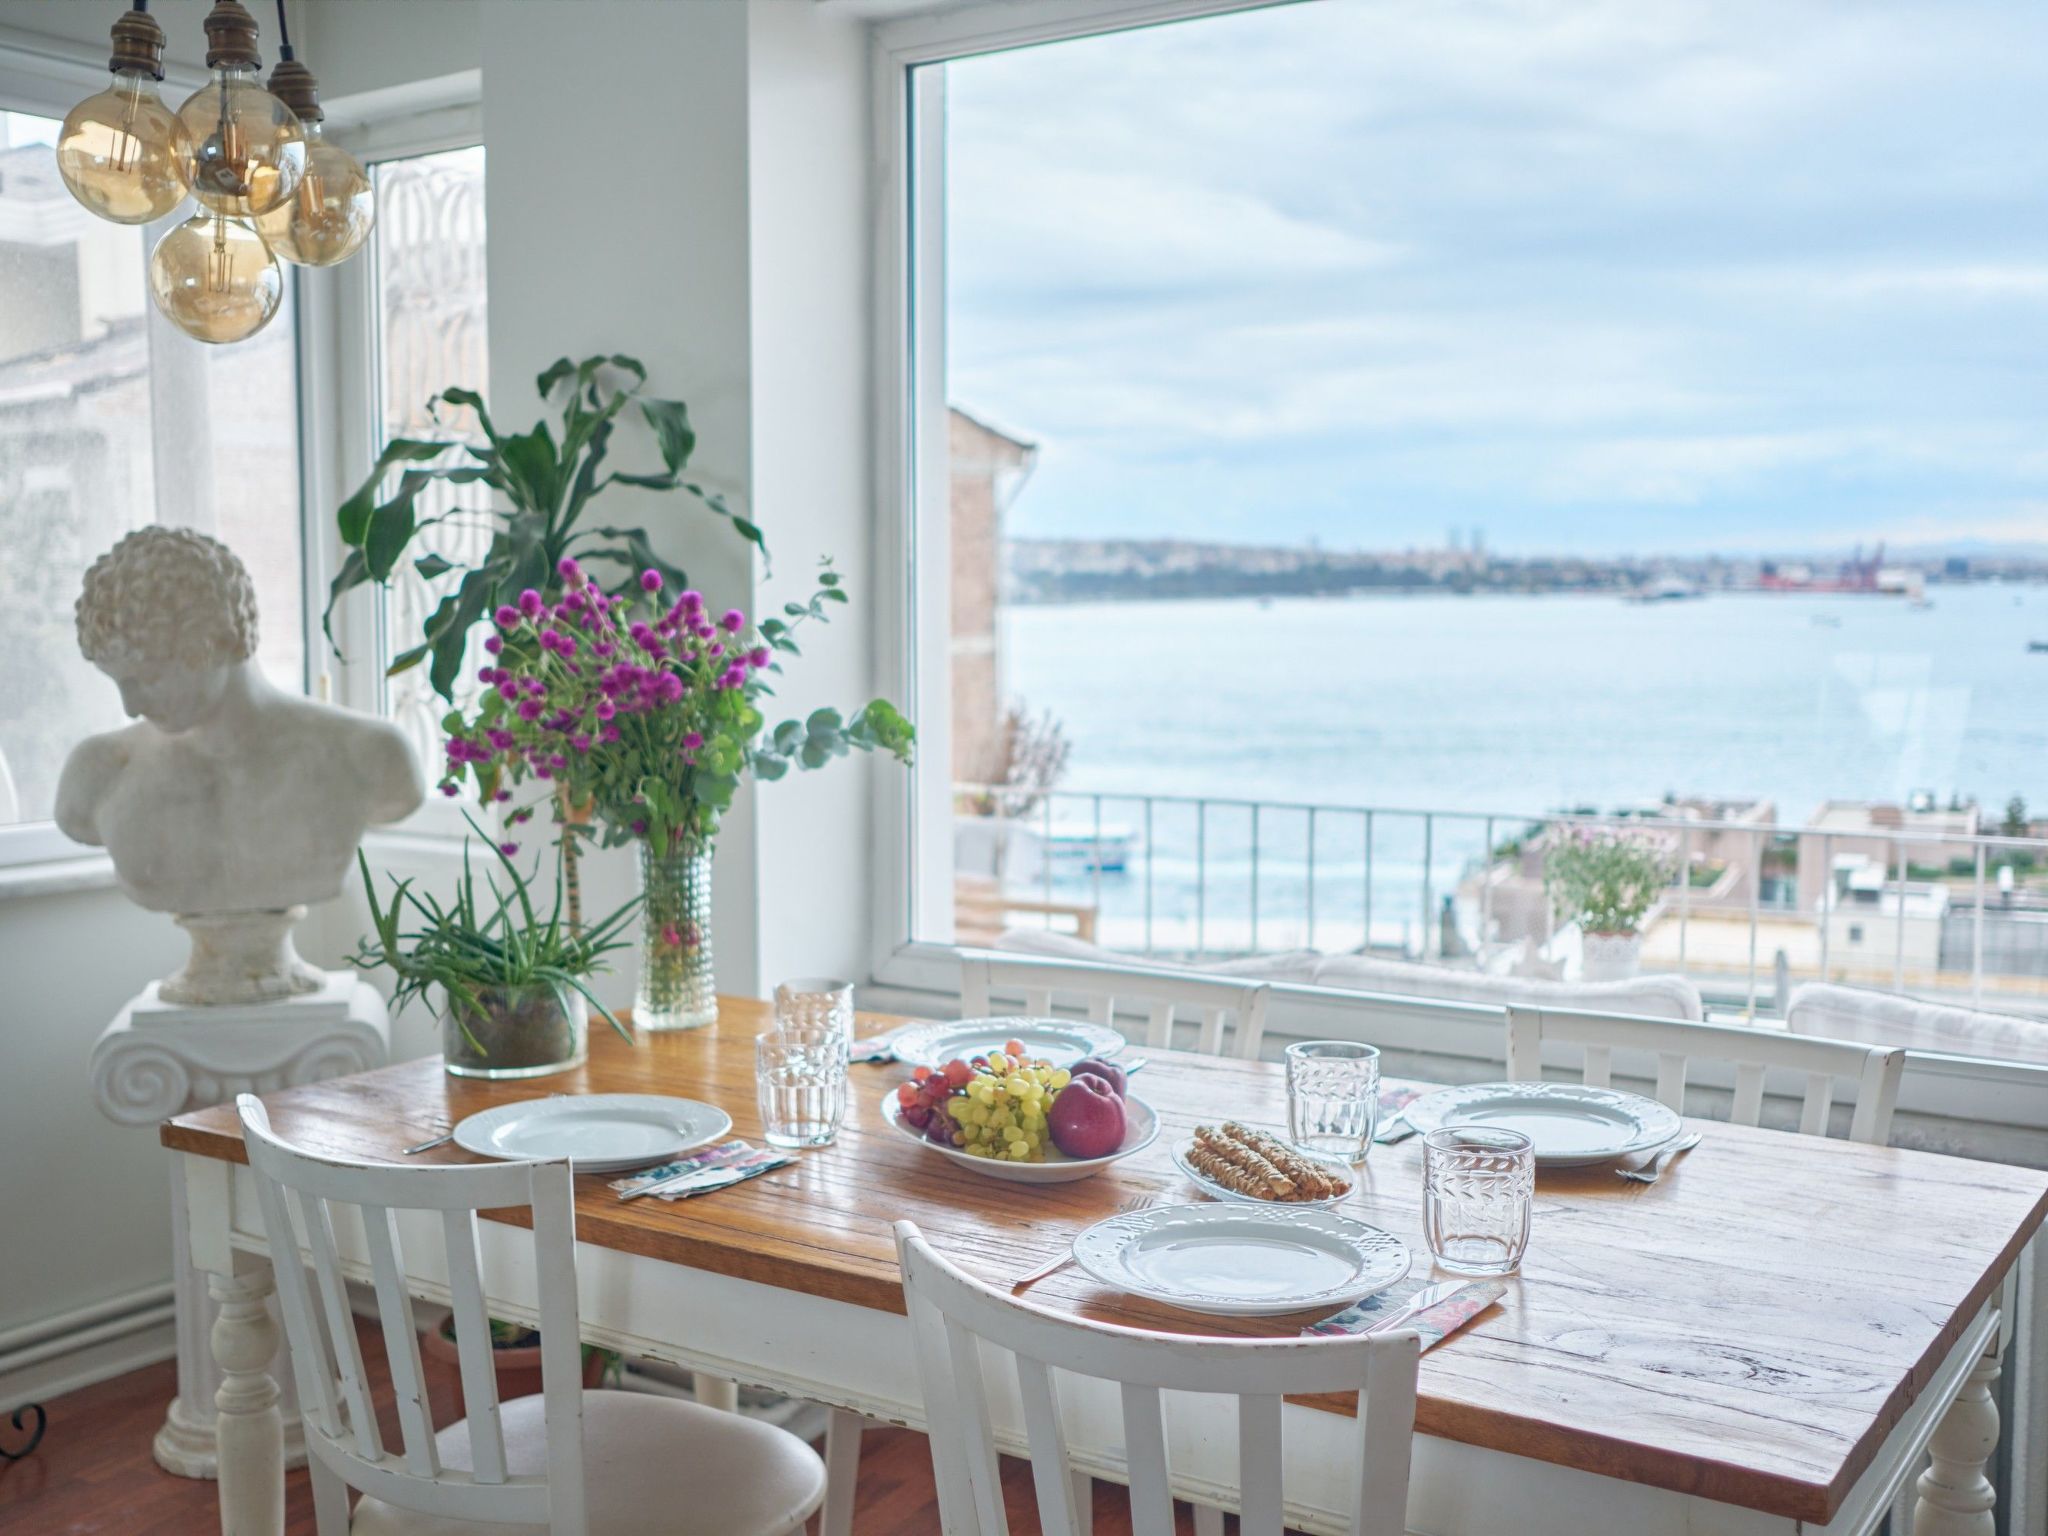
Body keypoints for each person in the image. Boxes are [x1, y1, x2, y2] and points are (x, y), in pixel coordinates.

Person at [56, 527, 423, 1002]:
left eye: (147, 678)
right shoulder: (99, 776)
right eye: (118, 683)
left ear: (214, 641)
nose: (129, 707)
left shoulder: (369, 756)